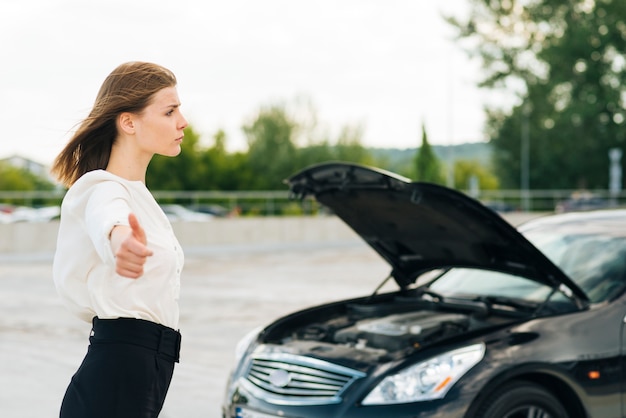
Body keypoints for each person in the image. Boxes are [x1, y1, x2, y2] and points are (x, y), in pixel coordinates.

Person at [51, 61, 188, 418]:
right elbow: (107, 217)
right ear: (128, 122)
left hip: (147, 369)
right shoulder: (100, 187)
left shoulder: (140, 197)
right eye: (170, 111)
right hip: (119, 367)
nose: (182, 122)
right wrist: (119, 240)